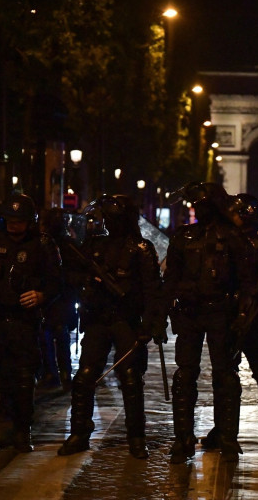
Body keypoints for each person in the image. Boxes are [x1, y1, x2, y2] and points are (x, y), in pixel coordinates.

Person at [58, 195, 167, 459]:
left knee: (130, 379)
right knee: (84, 376)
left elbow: (153, 291)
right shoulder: (94, 245)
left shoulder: (141, 248)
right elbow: (67, 274)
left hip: (126, 321)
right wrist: (88, 280)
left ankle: (136, 437)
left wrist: (151, 324)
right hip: (97, 319)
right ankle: (79, 433)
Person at [0, 194, 62, 459]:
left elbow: (57, 282)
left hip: (22, 324)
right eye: (11, 220)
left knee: (23, 383)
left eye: (20, 221)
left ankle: (22, 433)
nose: (14, 225)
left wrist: (41, 296)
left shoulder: (42, 245)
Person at [164, 182, 256, 464]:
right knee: (184, 377)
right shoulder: (183, 236)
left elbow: (247, 282)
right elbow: (171, 280)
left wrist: (242, 315)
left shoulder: (233, 237)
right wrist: (165, 313)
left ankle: (228, 439)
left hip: (221, 312)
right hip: (191, 312)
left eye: (201, 205)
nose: (197, 210)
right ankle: (183, 439)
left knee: (226, 377)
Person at [201, 193, 258, 454]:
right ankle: (229, 432)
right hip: (237, 316)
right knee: (230, 377)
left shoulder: (257, 244)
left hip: (249, 317)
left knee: (257, 378)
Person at [38, 208, 81, 391]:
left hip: (61, 295)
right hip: (55, 295)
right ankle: (58, 373)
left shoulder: (67, 244)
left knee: (53, 332)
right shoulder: (58, 243)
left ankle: (58, 373)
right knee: (53, 332)